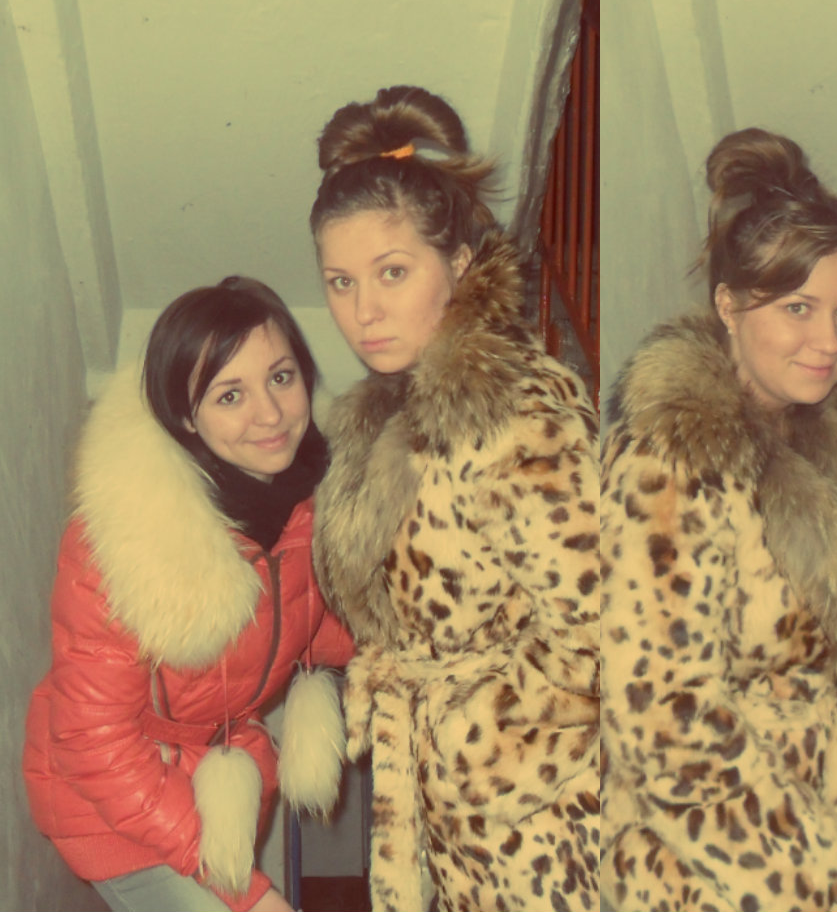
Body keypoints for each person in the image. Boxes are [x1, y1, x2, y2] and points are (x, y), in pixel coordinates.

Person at [599, 127, 837, 912]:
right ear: (729, 306)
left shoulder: (825, 455)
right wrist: (813, 858)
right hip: (709, 866)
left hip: (817, 839)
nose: (832, 341)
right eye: (798, 308)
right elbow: (662, 714)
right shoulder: (672, 458)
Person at [308, 85, 603, 912]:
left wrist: (483, 748)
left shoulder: (515, 409)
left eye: (392, 273)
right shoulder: (386, 416)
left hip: (543, 818)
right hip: (451, 805)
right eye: (339, 282)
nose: (363, 310)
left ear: (462, 265)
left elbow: (597, 624)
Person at [23, 277, 355, 912]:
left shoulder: (306, 505)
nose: (270, 414)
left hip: (215, 780)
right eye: (230, 395)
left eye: (281, 377)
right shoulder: (121, 542)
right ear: (184, 415)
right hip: (109, 800)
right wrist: (246, 890)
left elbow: (309, 623)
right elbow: (93, 741)